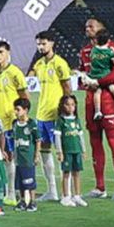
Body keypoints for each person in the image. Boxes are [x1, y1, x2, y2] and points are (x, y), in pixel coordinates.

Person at [79, 18, 114, 201]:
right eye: (86, 26)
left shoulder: (111, 47)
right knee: (95, 142)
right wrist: (83, 79)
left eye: (91, 26)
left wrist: (97, 82)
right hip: (91, 101)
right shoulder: (85, 51)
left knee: (113, 140)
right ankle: (100, 187)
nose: (88, 28)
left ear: (101, 29)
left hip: (107, 99)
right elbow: (83, 71)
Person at [0, 40, 29, 206]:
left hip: (11, 121)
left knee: (11, 157)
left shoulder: (15, 72)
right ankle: (5, 191)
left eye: (1, 52)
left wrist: (22, 117)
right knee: (0, 157)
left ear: (8, 53)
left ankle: (12, 193)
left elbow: (24, 96)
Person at [31, 30, 71, 202]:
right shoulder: (38, 65)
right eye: (39, 43)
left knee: (62, 152)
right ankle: (52, 191)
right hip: (42, 114)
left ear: (52, 43)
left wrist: (66, 113)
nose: (41, 46)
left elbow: (67, 90)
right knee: (45, 152)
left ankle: (66, 194)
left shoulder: (60, 64)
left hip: (56, 115)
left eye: (44, 43)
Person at [86, 29, 114, 120]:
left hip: (95, 76)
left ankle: (97, 111)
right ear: (108, 40)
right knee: (113, 90)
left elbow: (91, 58)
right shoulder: (109, 51)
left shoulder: (93, 50)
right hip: (105, 76)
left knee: (97, 92)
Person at [55, 95, 89, 206]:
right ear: (63, 106)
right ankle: (65, 196)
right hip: (67, 152)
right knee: (66, 173)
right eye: (67, 104)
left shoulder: (76, 120)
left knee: (77, 173)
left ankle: (77, 196)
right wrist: (59, 151)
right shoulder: (61, 121)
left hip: (76, 151)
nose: (70, 107)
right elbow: (57, 137)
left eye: (73, 105)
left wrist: (83, 150)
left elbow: (80, 136)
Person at [12, 98, 40, 212]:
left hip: (28, 158)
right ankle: (22, 201)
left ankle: (33, 201)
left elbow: (38, 140)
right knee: (20, 182)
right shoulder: (14, 124)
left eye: (18, 109)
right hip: (19, 158)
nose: (16, 112)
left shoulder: (31, 124)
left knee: (30, 181)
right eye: (15, 109)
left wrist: (36, 155)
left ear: (25, 110)